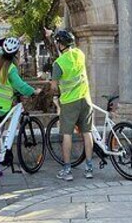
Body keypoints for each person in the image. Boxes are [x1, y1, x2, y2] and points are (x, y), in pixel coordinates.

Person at [0, 37, 41, 178]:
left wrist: (15, 41)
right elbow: (20, 86)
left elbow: (3, 49)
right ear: (15, 54)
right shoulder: (11, 69)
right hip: (1, 108)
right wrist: (33, 91)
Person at [48, 28, 94, 182]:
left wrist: (54, 89)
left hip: (69, 102)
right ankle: (89, 168)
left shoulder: (58, 64)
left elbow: (54, 86)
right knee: (87, 132)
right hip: (85, 99)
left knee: (67, 135)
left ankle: (67, 170)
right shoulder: (80, 54)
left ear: (60, 45)